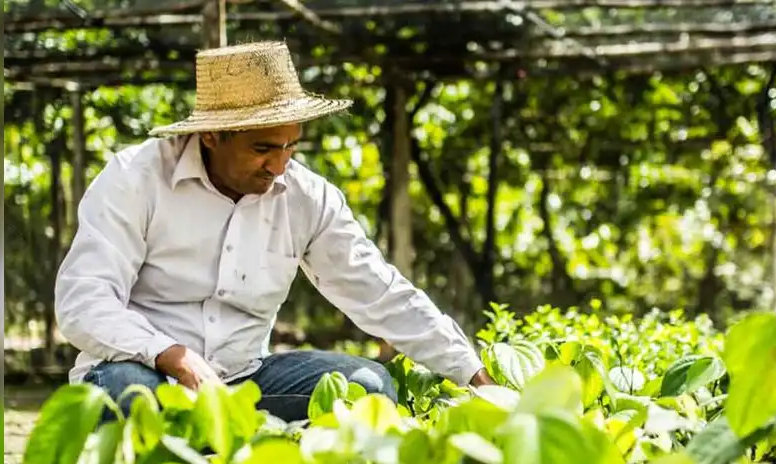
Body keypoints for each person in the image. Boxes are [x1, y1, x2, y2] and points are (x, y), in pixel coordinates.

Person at [54, 41, 495, 422]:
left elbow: (378, 291)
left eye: (291, 145)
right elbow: (84, 301)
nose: (280, 165)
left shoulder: (306, 197)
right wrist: (171, 354)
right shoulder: (135, 179)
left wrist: (471, 372)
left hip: (244, 379)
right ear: (211, 136)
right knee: (129, 394)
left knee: (368, 387)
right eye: (262, 148)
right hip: (141, 370)